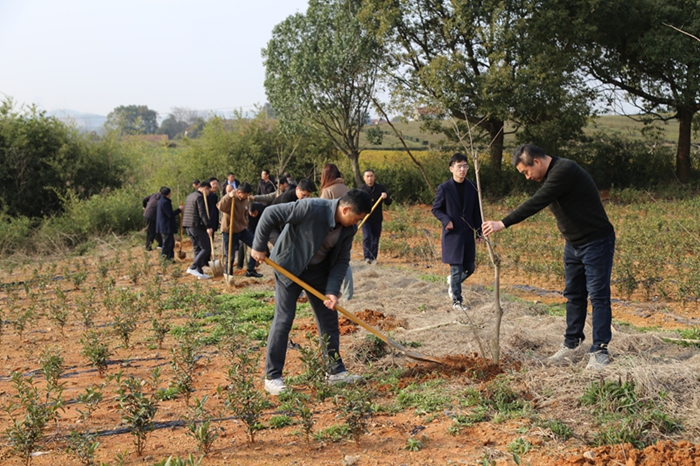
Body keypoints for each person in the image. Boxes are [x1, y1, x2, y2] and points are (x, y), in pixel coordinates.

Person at [481, 144, 615, 370]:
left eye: (526, 172)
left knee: (598, 296)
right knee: (574, 295)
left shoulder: (564, 170)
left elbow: (538, 201)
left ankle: (600, 350)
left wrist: (503, 223)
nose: (527, 177)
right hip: (573, 243)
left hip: (596, 242)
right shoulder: (551, 174)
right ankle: (572, 344)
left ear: (537, 162)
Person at [251, 189, 372, 395]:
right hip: (288, 267)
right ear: (345, 209)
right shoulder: (311, 208)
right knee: (284, 319)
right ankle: (273, 377)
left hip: (317, 273)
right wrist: (259, 246)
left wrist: (332, 291)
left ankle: (335, 372)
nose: (357, 223)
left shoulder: (348, 230)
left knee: (328, 319)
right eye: (357, 218)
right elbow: (270, 213)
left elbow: (341, 261)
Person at [431, 153, 483, 311]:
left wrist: (479, 231)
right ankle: (457, 301)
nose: (462, 169)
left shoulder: (473, 187)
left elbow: (476, 211)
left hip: (467, 235)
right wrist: (447, 220)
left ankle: (453, 281)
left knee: (470, 268)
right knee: (456, 269)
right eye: (459, 166)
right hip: (453, 236)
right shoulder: (444, 188)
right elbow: (436, 209)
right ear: (451, 168)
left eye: (465, 166)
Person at [320, 164, 353, 300]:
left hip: (331, 233)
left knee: (330, 261)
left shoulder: (327, 192)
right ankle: (348, 295)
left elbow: (321, 214)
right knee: (343, 261)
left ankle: (331, 292)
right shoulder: (347, 190)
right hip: (345, 231)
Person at [217, 182, 263, 278]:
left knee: (256, 245)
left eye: (248, 195)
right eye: (246, 194)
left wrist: (245, 223)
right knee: (231, 256)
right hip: (229, 231)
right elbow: (220, 206)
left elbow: (246, 213)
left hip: (241, 230)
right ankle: (229, 275)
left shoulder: (245, 200)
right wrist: (228, 196)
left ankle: (250, 270)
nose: (247, 197)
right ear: (239, 192)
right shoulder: (231, 198)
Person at [182, 181, 216, 279]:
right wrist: (208, 226)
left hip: (188, 226)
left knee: (197, 249)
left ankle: (199, 272)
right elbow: (202, 213)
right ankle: (192, 267)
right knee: (206, 248)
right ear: (205, 189)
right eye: (209, 191)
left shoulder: (190, 196)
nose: (209, 193)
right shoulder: (199, 197)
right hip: (196, 226)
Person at [358, 169, 392, 264]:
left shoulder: (380, 188)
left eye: (371, 176)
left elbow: (388, 202)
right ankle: (367, 257)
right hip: (365, 218)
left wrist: (385, 197)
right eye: (367, 176)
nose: (370, 178)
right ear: (364, 178)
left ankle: (373, 258)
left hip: (377, 218)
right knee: (367, 237)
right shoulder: (361, 190)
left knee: (375, 239)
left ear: (374, 177)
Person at [155, 187, 181, 261]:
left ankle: (170, 258)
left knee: (170, 242)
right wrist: (179, 210)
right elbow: (170, 214)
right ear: (169, 194)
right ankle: (165, 258)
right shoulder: (165, 202)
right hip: (166, 226)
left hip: (164, 225)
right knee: (167, 243)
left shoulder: (161, 201)